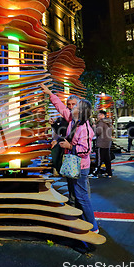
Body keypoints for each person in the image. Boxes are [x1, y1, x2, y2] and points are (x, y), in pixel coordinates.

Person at [40, 83, 99, 233]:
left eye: (76, 106)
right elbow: (61, 107)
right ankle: (79, 222)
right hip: (71, 164)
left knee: (82, 196)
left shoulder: (85, 128)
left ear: (81, 111)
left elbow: (85, 150)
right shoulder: (73, 121)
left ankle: (93, 227)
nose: (72, 107)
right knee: (75, 195)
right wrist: (50, 94)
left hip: (80, 166)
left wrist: (69, 146)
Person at [94, 110, 113, 177]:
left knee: (99, 158)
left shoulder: (101, 122)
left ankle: (96, 173)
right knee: (107, 158)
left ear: (102, 115)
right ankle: (109, 172)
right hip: (107, 142)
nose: (98, 116)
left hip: (101, 142)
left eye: (99, 115)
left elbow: (98, 131)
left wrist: (94, 127)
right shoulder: (108, 122)